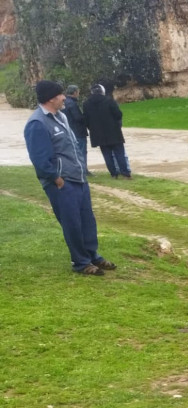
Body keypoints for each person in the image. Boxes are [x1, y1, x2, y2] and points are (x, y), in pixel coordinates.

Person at [23, 80, 114, 276]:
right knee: (72, 222)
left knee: (87, 220)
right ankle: (81, 262)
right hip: (62, 183)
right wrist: (56, 178)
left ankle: (92, 256)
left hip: (78, 178)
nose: (64, 97)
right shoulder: (37, 123)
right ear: (51, 98)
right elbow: (39, 158)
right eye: (61, 95)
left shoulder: (61, 116)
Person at [82, 84, 131, 180]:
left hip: (98, 133)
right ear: (102, 91)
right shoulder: (109, 101)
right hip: (113, 131)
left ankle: (113, 174)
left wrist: (93, 128)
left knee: (107, 154)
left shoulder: (86, 104)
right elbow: (118, 114)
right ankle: (125, 173)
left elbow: (86, 120)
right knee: (119, 152)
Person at [62, 85, 90, 176]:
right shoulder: (72, 104)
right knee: (82, 151)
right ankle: (83, 170)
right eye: (78, 92)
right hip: (78, 131)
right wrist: (86, 117)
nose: (78, 94)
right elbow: (78, 118)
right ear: (74, 93)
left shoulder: (64, 102)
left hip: (68, 131)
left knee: (72, 152)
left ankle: (75, 169)